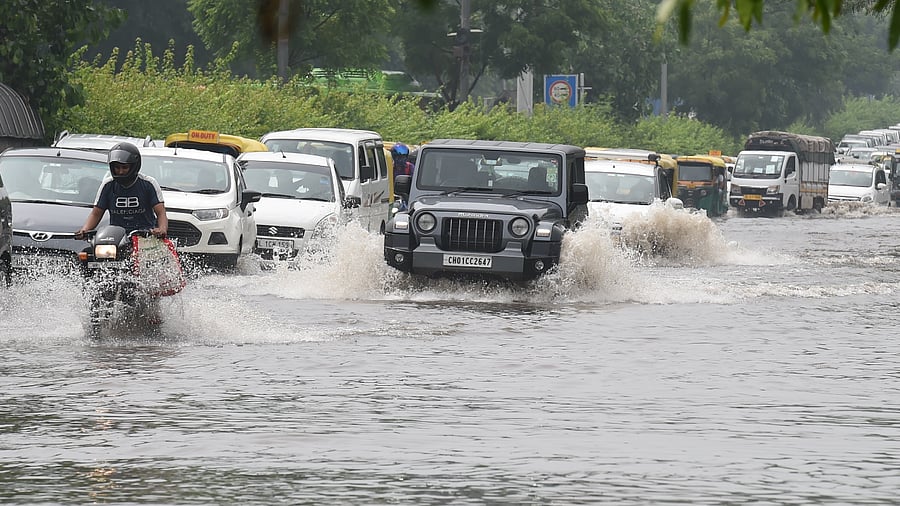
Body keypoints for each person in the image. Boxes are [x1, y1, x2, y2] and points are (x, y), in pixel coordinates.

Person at [76, 142, 168, 238]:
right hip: (116, 236)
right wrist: (85, 229)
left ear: (134, 166)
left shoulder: (148, 184)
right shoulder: (108, 185)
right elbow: (96, 213)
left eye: (125, 167)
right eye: (117, 167)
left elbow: (161, 212)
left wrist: (162, 229)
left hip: (145, 236)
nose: (120, 171)